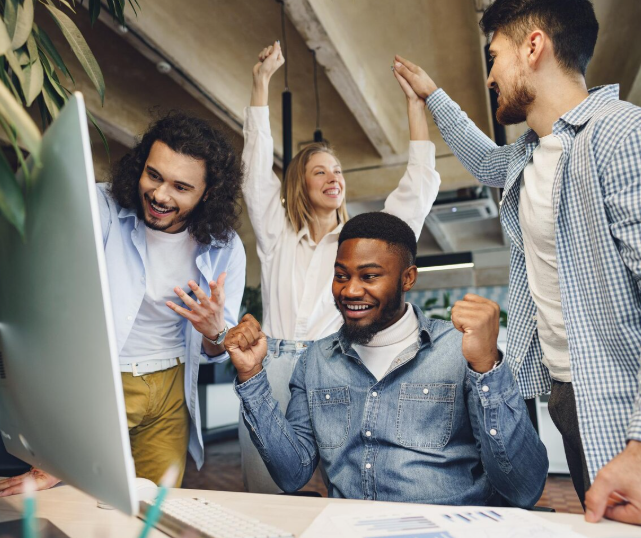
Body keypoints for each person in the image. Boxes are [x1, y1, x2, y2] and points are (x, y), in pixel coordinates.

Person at [392, 0, 641, 526]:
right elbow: (484, 158)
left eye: (494, 57)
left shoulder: (629, 134)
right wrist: (433, 97)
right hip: (570, 395)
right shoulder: (530, 154)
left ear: (534, 46)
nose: (489, 75)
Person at [0, 112, 247, 496]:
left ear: (208, 194)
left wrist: (214, 330)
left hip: (171, 390)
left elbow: (219, 348)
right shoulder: (98, 208)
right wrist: (53, 447)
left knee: (155, 507)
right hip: (104, 380)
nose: (159, 195)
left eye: (181, 187)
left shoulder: (225, 247)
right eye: (153, 175)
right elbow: (47, 304)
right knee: (78, 499)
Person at [228, 212, 548, 506]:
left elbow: (524, 487)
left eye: (369, 276)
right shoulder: (316, 361)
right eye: (342, 275)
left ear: (407, 278)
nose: (350, 290)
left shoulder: (458, 351)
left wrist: (487, 367)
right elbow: (292, 473)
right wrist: (252, 376)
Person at [239, 41, 441, 493]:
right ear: (299, 183)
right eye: (320, 171)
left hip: (336, 366)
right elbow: (254, 167)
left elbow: (418, 188)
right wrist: (261, 82)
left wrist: (415, 106)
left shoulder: (361, 243)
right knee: (265, 485)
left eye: (339, 171)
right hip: (272, 366)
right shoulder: (276, 233)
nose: (335, 178)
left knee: (346, 487)